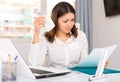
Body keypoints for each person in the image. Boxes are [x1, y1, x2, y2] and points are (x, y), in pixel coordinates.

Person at [29, 2, 88, 68]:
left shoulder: (80, 36)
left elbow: (84, 63)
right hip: (55, 77)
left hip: (76, 75)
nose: (70, 24)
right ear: (56, 21)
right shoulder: (46, 37)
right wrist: (36, 33)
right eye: (65, 21)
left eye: (72, 20)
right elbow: (35, 64)